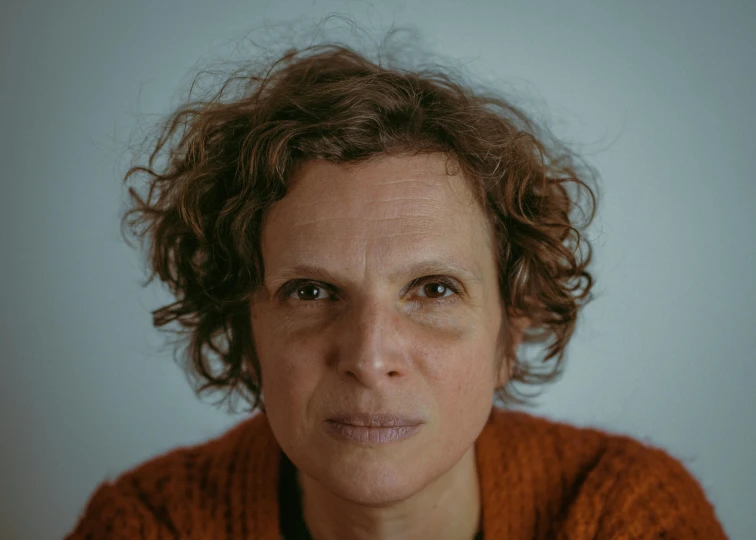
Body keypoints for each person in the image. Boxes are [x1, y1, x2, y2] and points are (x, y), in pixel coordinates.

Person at [65, 41, 726, 539]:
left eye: (433, 289)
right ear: (243, 330)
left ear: (510, 334)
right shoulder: (148, 524)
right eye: (312, 292)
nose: (370, 354)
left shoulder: (625, 515)